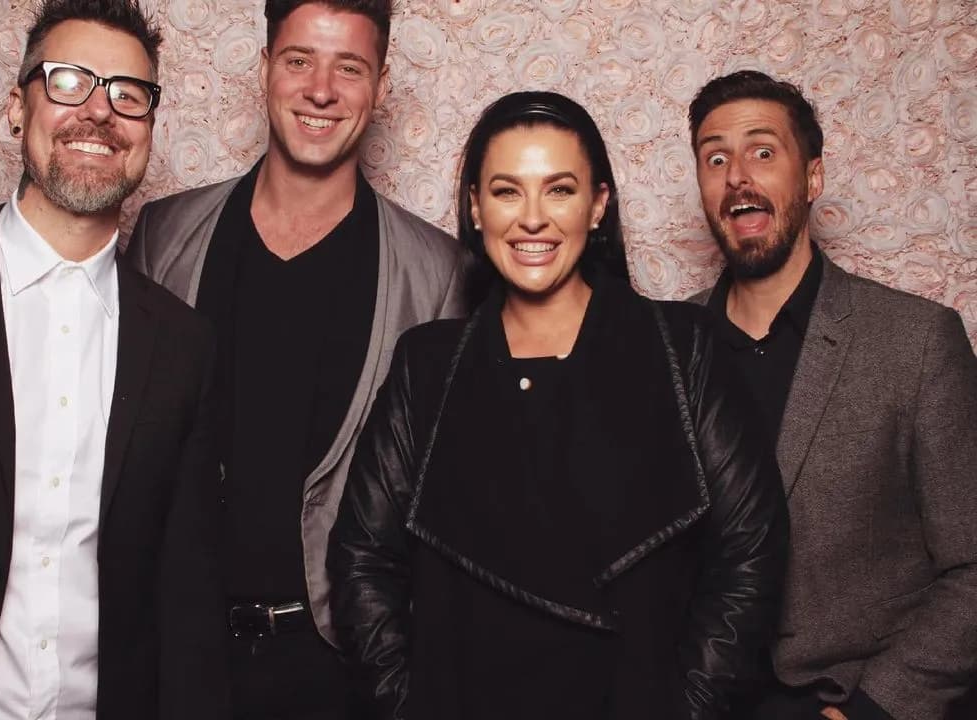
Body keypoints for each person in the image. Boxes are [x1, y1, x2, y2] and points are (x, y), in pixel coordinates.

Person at [327, 91, 789, 720]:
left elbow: (749, 554)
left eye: (560, 190)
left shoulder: (684, 348)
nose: (533, 219)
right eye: (507, 191)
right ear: (474, 207)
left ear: (597, 205)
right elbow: (362, 560)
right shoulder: (427, 364)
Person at [126, 1, 465, 716]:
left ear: (379, 86)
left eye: (349, 67)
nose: (321, 89)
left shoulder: (438, 276)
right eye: (299, 60)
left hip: (340, 673)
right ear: (264, 70)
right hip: (176, 658)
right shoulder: (164, 235)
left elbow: (448, 509)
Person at [0, 1, 229, 718]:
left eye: (127, 94)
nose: (100, 112)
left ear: (148, 129)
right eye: (69, 80)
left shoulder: (183, 346)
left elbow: (188, 602)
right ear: (17, 108)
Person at [687, 70, 977, 720]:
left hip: (856, 701)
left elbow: (973, 567)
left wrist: (873, 710)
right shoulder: (665, 349)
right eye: (715, 157)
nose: (737, 175)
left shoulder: (918, 342)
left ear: (812, 177)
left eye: (763, 151)